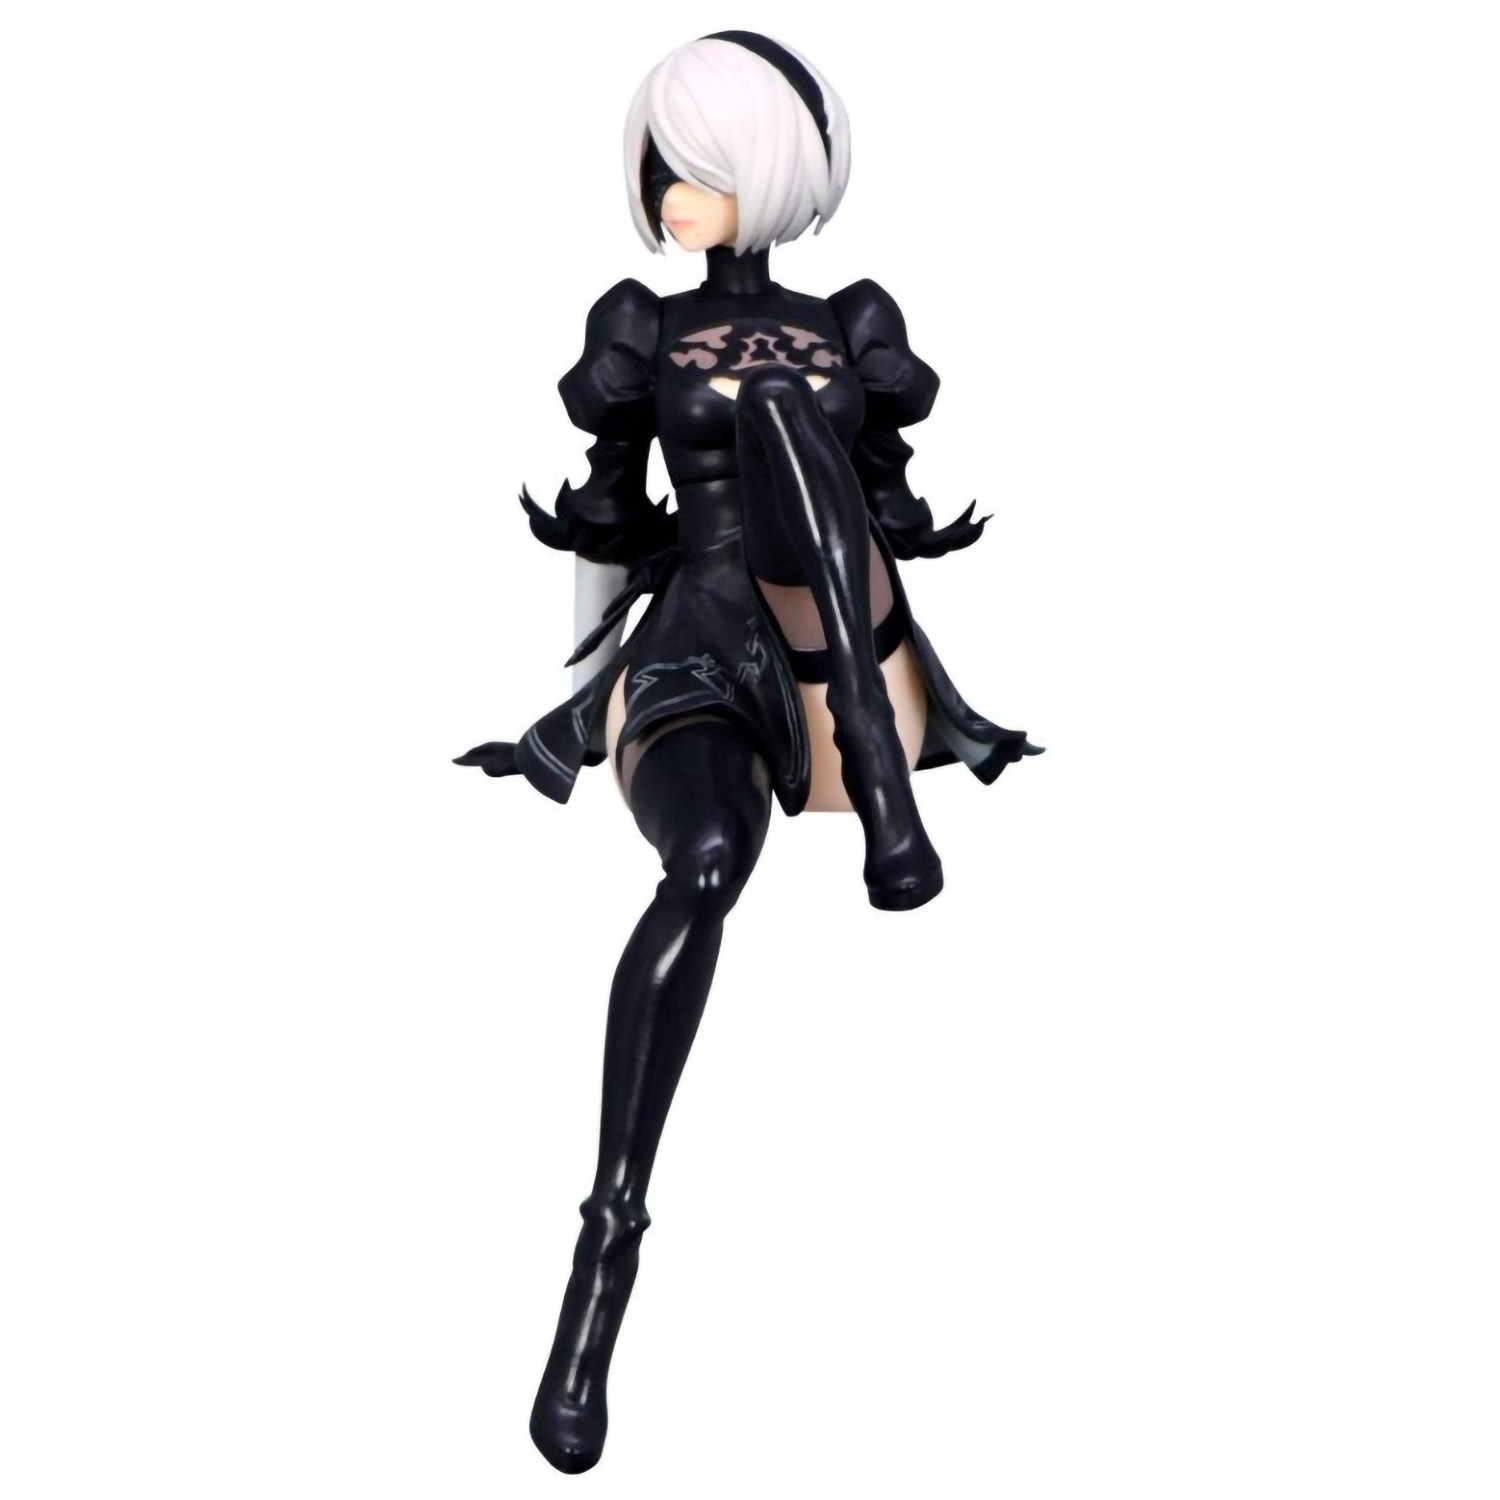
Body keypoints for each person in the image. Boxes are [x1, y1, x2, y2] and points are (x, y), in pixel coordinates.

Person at [456, 31, 1041, 1473]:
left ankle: (880, 767)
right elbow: (610, 520)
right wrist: (568, 699)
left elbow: (884, 488)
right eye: (662, 162)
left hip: (844, 642)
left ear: (771, 168)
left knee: (784, 413)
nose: (672, 190)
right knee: (707, 864)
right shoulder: (640, 329)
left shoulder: (852, 320)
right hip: (704, 643)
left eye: (702, 162)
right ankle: (603, 1263)